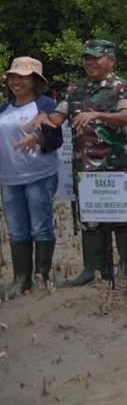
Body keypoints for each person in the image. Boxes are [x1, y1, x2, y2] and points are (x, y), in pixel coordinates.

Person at [29, 40, 127, 285]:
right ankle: (92, 269)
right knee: (90, 220)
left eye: (96, 58)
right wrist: (41, 119)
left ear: (111, 60)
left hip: (114, 166)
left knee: (122, 219)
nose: (90, 63)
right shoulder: (75, 88)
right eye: (87, 58)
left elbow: (125, 117)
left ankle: (126, 269)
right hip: (84, 167)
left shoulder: (122, 86)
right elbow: (57, 118)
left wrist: (97, 114)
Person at [1, 57, 63, 298]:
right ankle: (21, 279)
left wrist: (37, 138)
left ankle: (42, 276)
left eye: (22, 76)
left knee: (41, 227)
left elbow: (56, 139)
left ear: (35, 80)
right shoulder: (4, 109)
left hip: (40, 175)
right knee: (16, 230)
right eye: (12, 76)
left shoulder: (46, 105)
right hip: (9, 178)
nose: (16, 81)